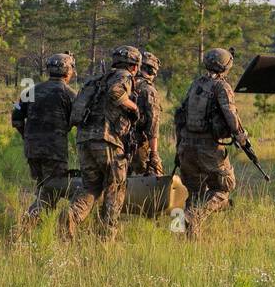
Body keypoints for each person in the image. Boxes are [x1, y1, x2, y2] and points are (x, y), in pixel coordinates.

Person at [60, 45, 141, 241]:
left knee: (91, 186)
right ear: (134, 66)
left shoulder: (95, 81)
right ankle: (106, 238)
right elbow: (116, 93)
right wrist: (134, 106)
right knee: (115, 187)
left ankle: (71, 215)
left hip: (84, 140)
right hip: (107, 140)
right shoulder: (124, 76)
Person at [174, 48, 246, 239]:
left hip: (186, 145)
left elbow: (180, 115)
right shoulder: (221, 87)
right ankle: (191, 217)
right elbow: (230, 114)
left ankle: (186, 238)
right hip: (208, 147)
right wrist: (240, 135)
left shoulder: (196, 84)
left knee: (194, 193)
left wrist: (179, 145)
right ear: (226, 66)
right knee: (223, 188)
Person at [13, 52, 77, 226]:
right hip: (54, 151)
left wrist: (28, 136)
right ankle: (30, 222)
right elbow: (79, 121)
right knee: (53, 190)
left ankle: (35, 225)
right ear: (68, 71)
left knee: (43, 186)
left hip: (32, 150)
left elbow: (16, 118)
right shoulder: (70, 94)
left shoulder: (29, 91)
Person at [130, 51, 164, 177]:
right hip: (138, 143)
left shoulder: (124, 85)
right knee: (151, 177)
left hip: (116, 141)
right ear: (153, 71)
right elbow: (153, 125)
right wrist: (154, 153)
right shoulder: (148, 90)